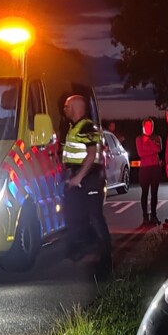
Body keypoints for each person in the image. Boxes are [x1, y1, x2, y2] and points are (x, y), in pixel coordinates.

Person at [61, 94, 111, 277]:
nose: (64, 109)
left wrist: (79, 177)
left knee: (95, 216)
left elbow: (91, 154)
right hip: (78, 176)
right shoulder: (74, 127)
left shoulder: (87, 126)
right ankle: (79, 248)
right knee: (73, 213)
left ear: (75, 107)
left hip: (88, 177)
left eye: (67, 105)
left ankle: (106, 258)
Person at [135, 117, 163, 226]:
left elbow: (158, 149)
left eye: (151, 126)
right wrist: (151, 151)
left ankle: (154, 215)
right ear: (143, 126)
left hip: (155, 167)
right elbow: (140, 153)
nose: (149, 128)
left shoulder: (156, 137)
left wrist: (150, 142)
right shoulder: (138, 139)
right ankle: (145, 216)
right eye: (147, 126)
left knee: (154, 192)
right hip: (145, 168)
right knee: (145, 192)